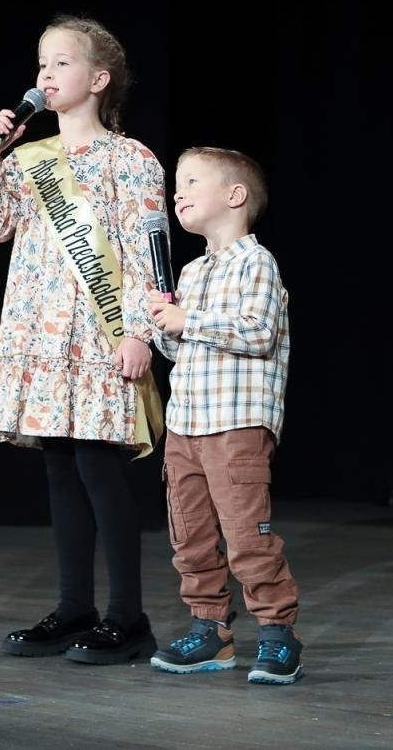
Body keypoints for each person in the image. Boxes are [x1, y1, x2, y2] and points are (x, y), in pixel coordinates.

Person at [0, 14, 165, 665]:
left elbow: (146, 252)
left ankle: (127, 617)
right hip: (41, 332)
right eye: (41, 65)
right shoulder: (27, 159)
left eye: (62, 63)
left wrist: (139, 329)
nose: (45, 75)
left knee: (99, 468)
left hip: (100, 334)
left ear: (99, 78)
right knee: (59, 467)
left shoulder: (131, 159)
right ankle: (75, 606)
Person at [146, 147, 302, 685]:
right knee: (188, 534)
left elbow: (257, 332)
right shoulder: (188, 272)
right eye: (176, 184)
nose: (178, 193)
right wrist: (163, 325)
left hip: (235, 425)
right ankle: (210, 630)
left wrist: (187, 320)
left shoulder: (256, 263)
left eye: (191, 182)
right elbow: (179, 350)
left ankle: (279, 634)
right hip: (185, 425)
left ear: (234, 197)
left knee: (245, 535)